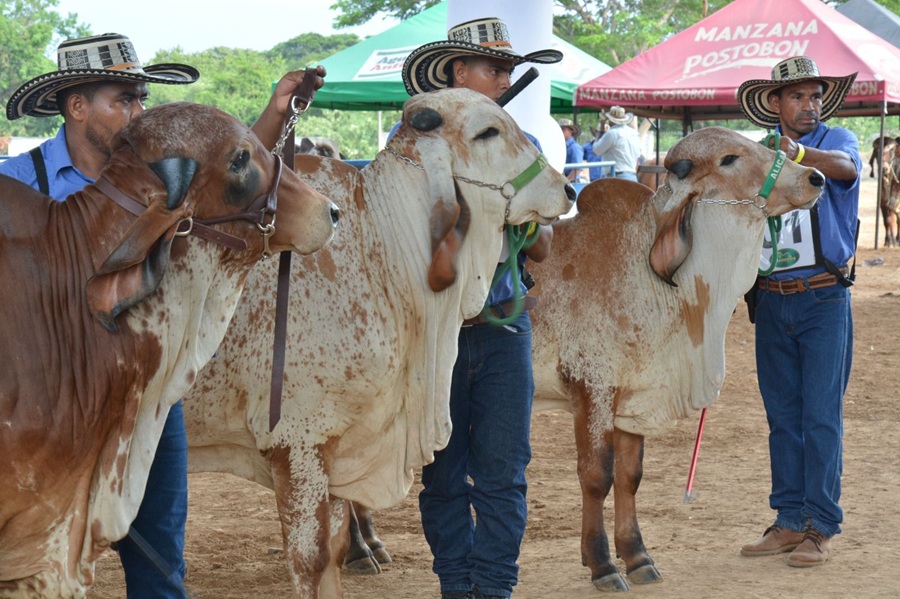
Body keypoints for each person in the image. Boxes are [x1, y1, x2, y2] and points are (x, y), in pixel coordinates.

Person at [0, 32, 324, 597]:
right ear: (77, 106)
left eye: (140, 97)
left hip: (145, 398)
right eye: (121, 98)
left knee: (159, 559)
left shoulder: (163, 177)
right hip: (48, 407)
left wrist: (276, 113)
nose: (136, 111)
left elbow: (235, 171)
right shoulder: (21, 184)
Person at [399, 17, 561, 599]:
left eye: (508, 69)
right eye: (492, 68)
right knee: (441, 474)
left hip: (503, 325)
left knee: (502, 474)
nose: (503, 78)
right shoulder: (413, 151)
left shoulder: (527, 146)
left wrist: (509, 204)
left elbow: (542, 245)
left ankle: (493, 588)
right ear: (456, 72)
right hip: (437, 334)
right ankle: (454, 585)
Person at [736, 55, 860, 568]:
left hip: (823, 297)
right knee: (783, 417)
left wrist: (800, 152)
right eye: (797, 97)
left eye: (814, 96)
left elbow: (846, 170)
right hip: (771, 299)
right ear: (775, 103)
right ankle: (789, 520)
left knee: (820, 417)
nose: (808, 105)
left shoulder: (836, 142)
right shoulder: (755, 152)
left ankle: (820, 525)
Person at [591, 105, 642, 181]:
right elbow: (638, 154)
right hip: (632, 176)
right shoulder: (634, 134)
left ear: (611, 120)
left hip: (616, 176)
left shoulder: (612, 133)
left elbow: (596, 151)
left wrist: (599, 133)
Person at [558, 117, 586, 183]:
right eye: (559, 129)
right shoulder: (561, 146)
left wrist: (565, 182)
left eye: (563, 130)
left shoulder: (575, 147)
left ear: (570, 132)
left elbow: (577, 169)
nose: (560, 132)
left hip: (572, 182)